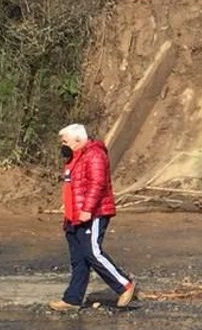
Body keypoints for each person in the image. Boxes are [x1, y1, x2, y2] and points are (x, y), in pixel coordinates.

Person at [48, 123, 137, 312]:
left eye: (65, 141)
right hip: (74, 215)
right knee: (78, 258)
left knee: (92, 252)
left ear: (78, 140)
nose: (63, 144)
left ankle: (124, 284)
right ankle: (72, 299)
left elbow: (97, 185)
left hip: (93, 213)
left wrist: (87, 209)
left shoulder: (95, 155)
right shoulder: (75, 157)